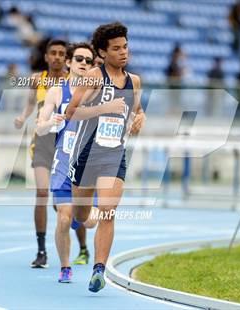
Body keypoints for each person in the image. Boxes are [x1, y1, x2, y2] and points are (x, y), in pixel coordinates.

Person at [65, 22, 145, 293]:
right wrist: (103, 107)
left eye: (125, 47)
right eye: (116, 49)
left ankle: (99, 269)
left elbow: (138, 109)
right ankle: (89, 218)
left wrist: (139, 120)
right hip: (86, 153)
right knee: (82, 215)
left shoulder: (134, 81)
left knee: (109, 213)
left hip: (114, 154)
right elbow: (71, 113)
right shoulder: (94, 78)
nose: (123, 53)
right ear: (102, 51)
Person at [14, 39, 90, 268]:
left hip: (65, 145)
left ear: (66, 60)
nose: (56, 57)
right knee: (41, 192)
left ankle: (83, 248)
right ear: (46, 57)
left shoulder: (73, 81)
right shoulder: (37, 80)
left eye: (60, 53)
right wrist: (23, 117)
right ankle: (41, 251)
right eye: (52, 53)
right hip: (42, 143)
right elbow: (30, 104)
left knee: (65, 206)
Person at [36, 42, 99, 282]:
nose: (84, 63)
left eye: (88, 61)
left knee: (90, 221)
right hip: (63, 164)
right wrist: (52, 122)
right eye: (79, 59)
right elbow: (40, 128)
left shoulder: (97, 92)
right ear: (69, 62)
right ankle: (65, 268)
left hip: (88, 167)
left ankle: (77, 217)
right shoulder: (56, 92)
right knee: (63, 217)